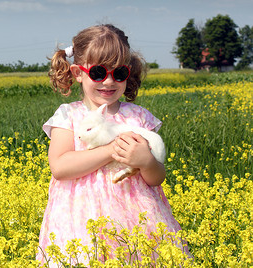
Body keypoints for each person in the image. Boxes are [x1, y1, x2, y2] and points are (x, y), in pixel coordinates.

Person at [37, 24, 187, 266]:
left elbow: (157, 177)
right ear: (78, 73)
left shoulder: (137, 117)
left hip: (137, 220)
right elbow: (60, 167)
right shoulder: (69, 116)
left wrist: (146, 162)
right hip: (81, 221)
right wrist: (109, 151)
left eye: (118, 74)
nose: (108, 82)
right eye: (98, 73)